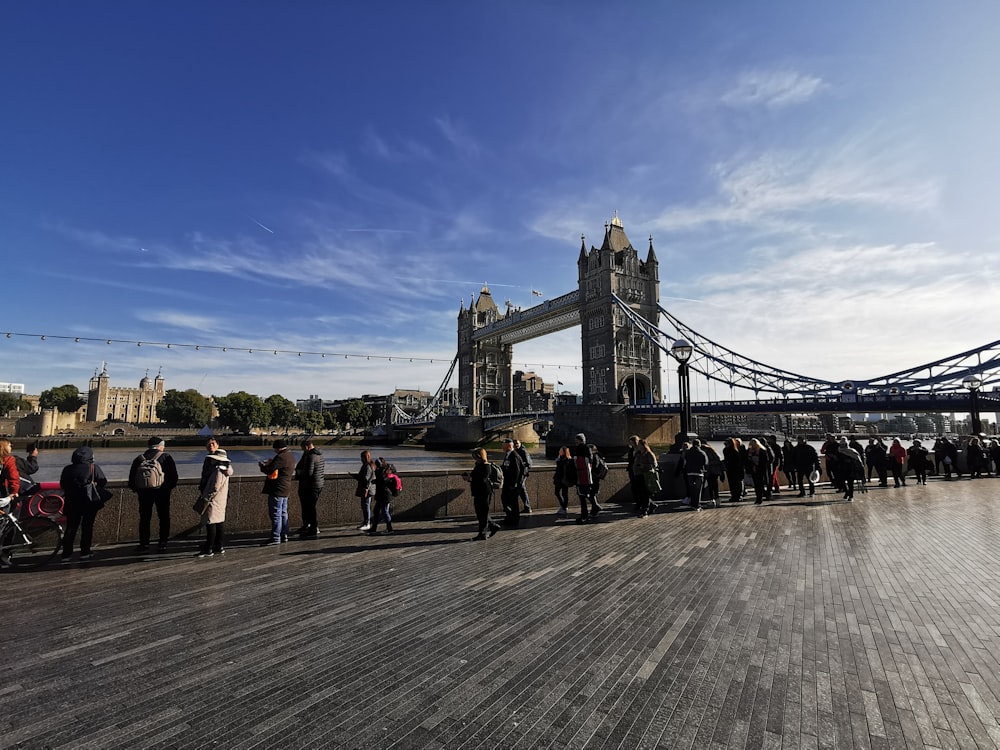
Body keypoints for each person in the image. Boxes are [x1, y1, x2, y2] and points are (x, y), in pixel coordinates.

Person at [128, 436, 179, 552]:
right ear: (160, 446)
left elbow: (132, 478)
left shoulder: (139, 459)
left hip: (144, 493)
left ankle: (144, 543)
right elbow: (173, 477)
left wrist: (138, 490)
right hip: (162, 492)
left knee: (145, 518)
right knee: (164, 517)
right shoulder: (166, 457)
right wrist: (167, 488)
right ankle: (163, 542)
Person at [59, 446, 107, 562]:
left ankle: (66, 554)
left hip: (71, 502)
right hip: (88, 502)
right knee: (87, 527)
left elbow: (62, 484)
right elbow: (103, 481)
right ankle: (85, 552)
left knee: (71, 527)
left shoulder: (67, 469)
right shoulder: (93, 467)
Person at [196, 439, 233, 558]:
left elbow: (214, 487)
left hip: (213, 500)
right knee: (219, 522)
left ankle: (208, 548)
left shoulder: (218, 470)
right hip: (221, 499)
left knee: (210, 523)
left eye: (213, 444)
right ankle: (219, 546)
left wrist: (206, 497)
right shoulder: (226, 468)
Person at [259, 439, 295, 545]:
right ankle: (284, 534)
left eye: (275, 448)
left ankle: (275, 537)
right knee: (283, 512)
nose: (274, 450)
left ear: (278, 448)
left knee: (275, 513)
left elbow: (269, 470)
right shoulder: (290, 456)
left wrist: (262, 466)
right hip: (286, 487)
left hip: (277, 489)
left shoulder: (281, 457)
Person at [463, 448, 501, 540]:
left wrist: (470, 479)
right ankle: (492, 526)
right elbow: (477, 477)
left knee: (482, 512)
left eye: (475, 456)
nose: (474, 458)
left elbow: (483, 479)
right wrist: (469, 477)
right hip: (478, 491)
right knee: (481, 512)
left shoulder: (485, 466)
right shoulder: (478, 465)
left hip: (484, 492)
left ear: (480, 456)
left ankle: (483, 533)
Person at [294, 438, 326, 537]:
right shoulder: (320, 455)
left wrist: (300, 473)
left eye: (303, 449)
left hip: (310, 485)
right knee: (310, 507)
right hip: (319, 484)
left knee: (310, 508)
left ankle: (313, 528)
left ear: (307, 447)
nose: (303, 451)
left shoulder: (311, 456)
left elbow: (309, 472)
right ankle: (309, 525)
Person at [499, 438, 525, 527]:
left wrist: (514, 484)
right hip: (507, 483)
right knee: (505, 500)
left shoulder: (514, 456)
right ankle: (509, 518)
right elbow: (505, 467)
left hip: (512, 485)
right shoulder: (508, 455)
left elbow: (517, 471)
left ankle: (514, 520)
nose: (502, 447)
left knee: (513, 503)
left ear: (509, 446)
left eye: (503, 445)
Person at [367, 458, 394, 535]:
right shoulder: (385, 470)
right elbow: (382, 480)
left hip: (384, 495)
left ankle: (390, 529)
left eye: (377, 464)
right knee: (376, 511)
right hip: (381, 495)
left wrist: (376, 480)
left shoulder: (383, 471)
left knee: (385, 511)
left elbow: (383, 480)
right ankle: (374, 528)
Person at [571, 433, 594, 523]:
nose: (575, 441)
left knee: (582, 496)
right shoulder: (587, 449)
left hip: (582, 476)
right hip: (585, 476)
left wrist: (575, 460)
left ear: (580, 440)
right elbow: (590, 461)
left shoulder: (581, 449)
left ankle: (584, 515)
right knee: (584, 495)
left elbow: (583, 461)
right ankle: (591, 509)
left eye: (577, 440)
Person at [632, 438, 658, 517]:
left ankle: (645, 510)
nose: (638, 446)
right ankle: (652, 505)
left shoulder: (648, 454)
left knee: (645, 493)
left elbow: (654, 465)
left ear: (643, 445)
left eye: (639, 445)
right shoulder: (638, 453)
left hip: (646, 475)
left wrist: (644, 466)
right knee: (640, 492)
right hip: (638, 475)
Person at [682, 438, 709, 510]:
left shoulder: (688, 452)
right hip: (699, 473)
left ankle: (692, 502)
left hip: (689, 472)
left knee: (691, 488)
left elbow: (685, 460)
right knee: (698, 489)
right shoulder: (702, 453)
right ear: (699, 445)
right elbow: (705, 462)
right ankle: (696, 504)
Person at [746, 438, 773, 505]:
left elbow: (766, 460)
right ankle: (758, 497)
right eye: (751, 444)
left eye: (754, 444)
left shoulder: (762, 450)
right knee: (756, 485)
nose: (753, 446)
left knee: (760, 484)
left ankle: (760, 498)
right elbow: (747, 460)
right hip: (753, 470)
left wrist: (758, 463)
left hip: (760, 470)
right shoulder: (749, 451)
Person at [354, 450, 376, 531]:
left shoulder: (367, 466)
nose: (360, 459)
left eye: (361, 458)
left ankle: (367, 523)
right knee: (366, 505)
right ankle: (366, 522)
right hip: (370, 489)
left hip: (367, 489)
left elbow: (367, 479)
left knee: (365, 506)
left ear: (364, 458)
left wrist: (366, 488)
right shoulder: (371, 465)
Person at [722, 437, 746, 502]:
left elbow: (737, 461)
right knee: (733, 483)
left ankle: (737, 495)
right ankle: (735, 495)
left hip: (734, 469)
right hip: (731, 468)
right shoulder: (730, 450)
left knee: (735, 483)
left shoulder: (732, 451)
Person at [553, 445, 573, 518]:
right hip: (559, 479)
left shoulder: (566, 460)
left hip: (563, 479)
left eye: (560, 451)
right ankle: (563, 505)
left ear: (564, 452)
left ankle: (564, 507)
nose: (559, 451)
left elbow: (563, 470)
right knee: (557, 492)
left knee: (564, 494)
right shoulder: (560, 459)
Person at [513, 439, 533, 513]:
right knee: (521, 490)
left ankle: (527, 507)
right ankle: (527, 507)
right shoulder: (516, 451)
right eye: (514, 443)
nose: (516, 445)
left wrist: (520, 466)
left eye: (517, 443)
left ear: (520, 443)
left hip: (523, 473)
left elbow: (528, 463)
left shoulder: (523, 451)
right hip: (519, 473)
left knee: (521, 489)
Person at [587, 444, 607, 516]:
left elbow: (595, 466)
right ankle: (594, 510)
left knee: (591, 493)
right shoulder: (597, 455)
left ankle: (596, 506)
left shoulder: (595, 456)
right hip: (596, 478)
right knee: (592, 494)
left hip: (594, 478)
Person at [0, 439, 20, 508]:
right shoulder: (8, 459)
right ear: (4, 447)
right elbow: (13, 477)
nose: (11, 447)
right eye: (9, 445)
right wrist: (14, 492)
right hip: (1, 491)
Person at [703, 441, 724, 507]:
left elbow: (710, 462)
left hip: (711, 471)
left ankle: (712, 499)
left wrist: (708, 464)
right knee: (714, 485)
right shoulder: (714, 452)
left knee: (711, 486)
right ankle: (716, 498)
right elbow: (719, 460)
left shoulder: (708, 453)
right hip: (715, 471)